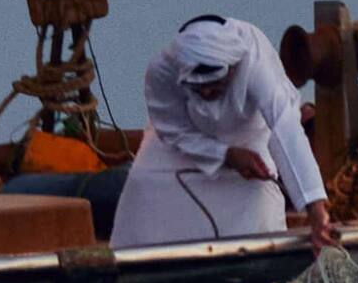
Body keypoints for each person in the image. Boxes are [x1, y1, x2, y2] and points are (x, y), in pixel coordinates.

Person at [111, 13, 338, 249]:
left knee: (259, 217)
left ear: (232, 68)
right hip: (182, 146)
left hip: (249, 140)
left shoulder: (255, 62)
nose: (208, 94)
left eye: (215, 85)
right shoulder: (163, 69)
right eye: (199, 88)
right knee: (143, 186)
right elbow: (173, 130)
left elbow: (285, 127)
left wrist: (315, 208)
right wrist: (225, 154)